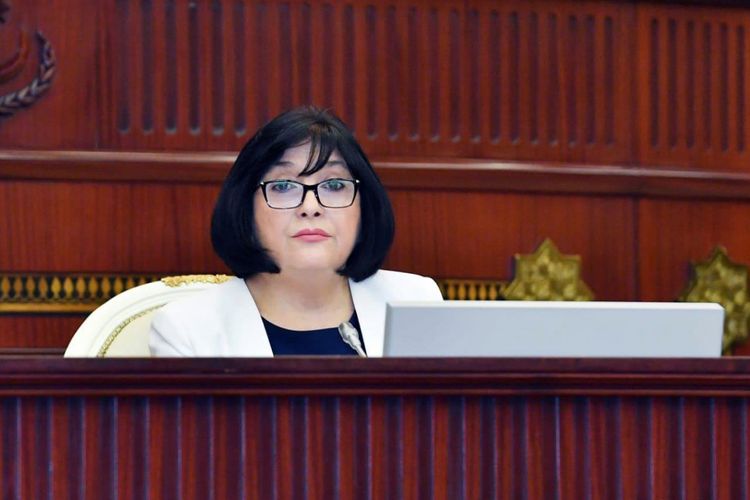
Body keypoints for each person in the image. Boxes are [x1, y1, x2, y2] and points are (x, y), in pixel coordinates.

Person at [149, 106, 443, 357]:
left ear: (363, 206)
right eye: (283, 186)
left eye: (334, 185)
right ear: (245, 207)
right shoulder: (190, 330)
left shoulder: (415, 302)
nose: (310, 207)